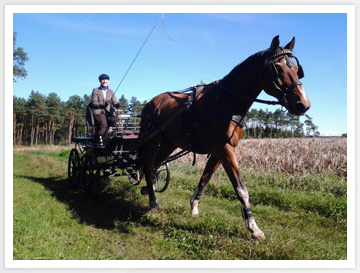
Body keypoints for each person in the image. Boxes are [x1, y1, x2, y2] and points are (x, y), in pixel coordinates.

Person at [91, 74, 120, 139]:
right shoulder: (96, 90)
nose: (104, 81)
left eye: (106, 80)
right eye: (103, 80)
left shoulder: (111, 91)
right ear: (100, 81)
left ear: (108, 81)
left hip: (108, 112)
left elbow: (114, 102)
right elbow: (94, 103)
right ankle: (100, 139)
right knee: (103, 124)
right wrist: (103, 104)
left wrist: (117, 104)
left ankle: (116, 137)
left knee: (115, 120)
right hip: (98, 112)